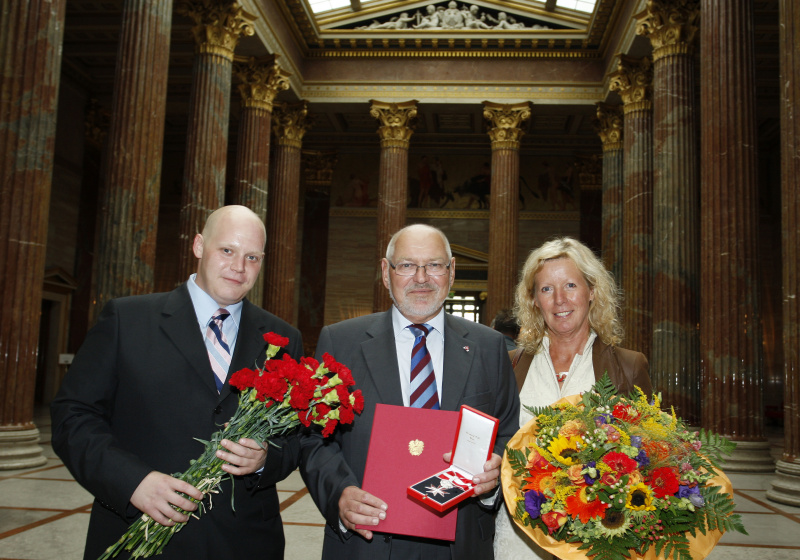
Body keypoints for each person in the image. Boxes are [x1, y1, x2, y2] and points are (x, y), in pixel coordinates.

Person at [51, 205, 303, 560]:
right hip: (139, 533)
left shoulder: (282, 339)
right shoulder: (127, 319)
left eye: (252, 257)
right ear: (199, 245)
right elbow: (72, 416)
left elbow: (296, 441)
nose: (238, 267)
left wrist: (264, 458)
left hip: (245, 542)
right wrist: (133, 482)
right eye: (227, 250)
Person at [300, 224, 520, 559]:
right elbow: (313, 439)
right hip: (367, 542)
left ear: (451, 271)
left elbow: (507, 432)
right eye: (406, 266)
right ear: (386, 274)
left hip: (459, 543)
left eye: (434, 265)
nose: (421, 278)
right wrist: (339, 494)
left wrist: (496, 471)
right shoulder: (341, 342)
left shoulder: (488, 347)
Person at [493, 237, 653, 559]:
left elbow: (649, 460)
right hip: (516, 540)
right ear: (534, 300)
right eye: (546, 289)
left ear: (592, 291)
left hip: (596, 543)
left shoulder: (628, 366)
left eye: (570, 285)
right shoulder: (509, 366)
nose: (560, 300)